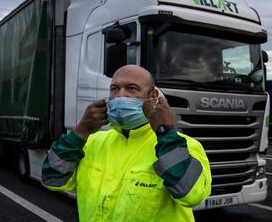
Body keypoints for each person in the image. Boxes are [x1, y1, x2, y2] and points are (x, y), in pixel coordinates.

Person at [42, 65, 211, 221]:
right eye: (114, 89)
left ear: (153, 98)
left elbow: (191, 196)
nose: (120, 95)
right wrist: (81, 131)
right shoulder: (93, 141)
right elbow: (52, 179)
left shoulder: (185, 146)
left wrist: (165, 133)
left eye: (131, 88)